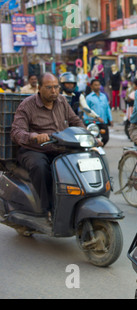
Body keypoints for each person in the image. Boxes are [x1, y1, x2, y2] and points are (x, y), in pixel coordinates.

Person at [11, 72, 85, 218]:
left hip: (60, 147)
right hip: (34, 150)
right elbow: (16, 132)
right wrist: (34, 136)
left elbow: (75, 121)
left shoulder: (62, 101)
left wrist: (88, 134)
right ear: (39, 88)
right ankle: (48, 209)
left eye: (56, 87)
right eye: (49, 87)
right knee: (40, 167)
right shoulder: (27, 105)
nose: (54, 91)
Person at [85, 79, 113, 146]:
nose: (97, 86)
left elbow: (107, 108)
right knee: (93, 138)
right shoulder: (88, 98)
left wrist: (110, 119)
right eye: (95, 85)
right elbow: (86, 110)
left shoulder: (103, 96)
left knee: (106, 138)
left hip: (103, 121)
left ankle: (99, 148)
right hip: (93, 122)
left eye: (98, 85)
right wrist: (87, 121)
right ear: (91, 86)